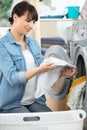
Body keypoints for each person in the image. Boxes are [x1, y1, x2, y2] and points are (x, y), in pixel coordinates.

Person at [0, 1, 77, 113]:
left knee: (51, 120)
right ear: (15, 17)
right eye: (28, 20)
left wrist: (62, 74)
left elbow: (42, 76)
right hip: (12, 103)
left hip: (34, 100)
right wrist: (39, 69)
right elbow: (12, 78)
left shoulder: (33, 43)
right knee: (32, 123)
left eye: (33, 22)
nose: (31, 25)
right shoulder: (2, 45)